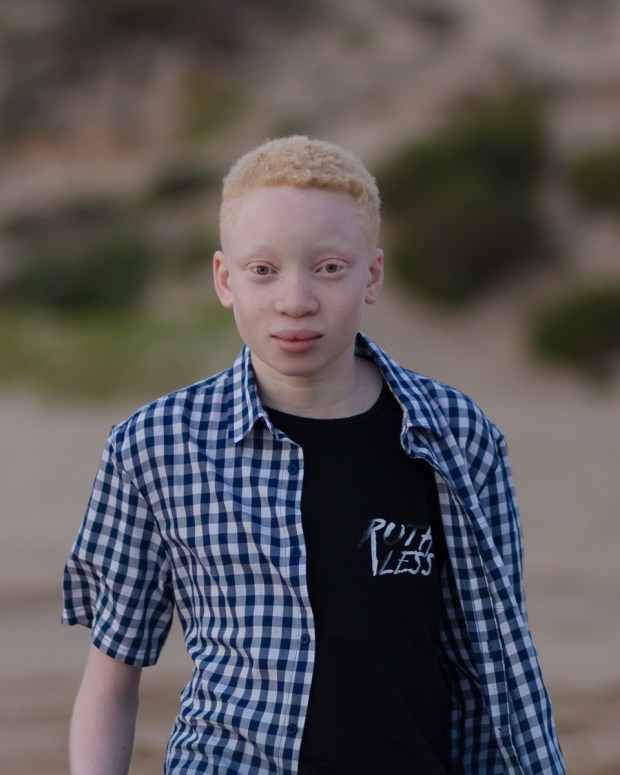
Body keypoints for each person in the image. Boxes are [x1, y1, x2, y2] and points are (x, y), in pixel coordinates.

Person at [62, 135, 565, 775]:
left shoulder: (460, 437)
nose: (294, 299)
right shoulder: (156, 446)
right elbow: (111, 677)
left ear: (373, 274)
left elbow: (495, 665)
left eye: (328, 267)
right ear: (224, 278)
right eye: (262, 269)